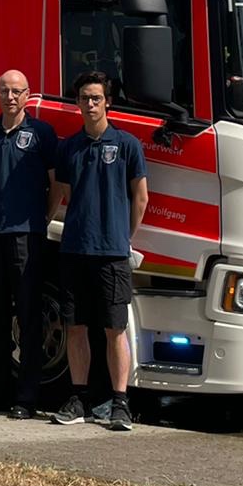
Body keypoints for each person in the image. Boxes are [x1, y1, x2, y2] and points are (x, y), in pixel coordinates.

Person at [51, 71, 149, 434]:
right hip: (74, 249)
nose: (89, 104)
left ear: (107, 101)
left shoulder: (127, 145)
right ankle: (78, 398)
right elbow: (63, 194)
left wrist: (124, 237)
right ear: (76, 103)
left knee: (114, 329)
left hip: (112, 254)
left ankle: (120, 403)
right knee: (74, 327)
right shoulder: (69, 147)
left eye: (96, 98)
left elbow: (141, 198)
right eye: (83, 98)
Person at [0, 70, 57, 418]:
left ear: (28, 95)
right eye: (4, 90)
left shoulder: (41, 133)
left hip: (27, 236)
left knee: (28, 318)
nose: (10, 96)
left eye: (17, 91)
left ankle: (26, 398)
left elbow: (56, 185)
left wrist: (41, 220)